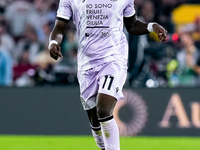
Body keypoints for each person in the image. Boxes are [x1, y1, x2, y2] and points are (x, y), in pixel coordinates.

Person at [48, 0, 167, 149]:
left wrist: (151, 26)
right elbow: (59, 27)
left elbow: (132, 25)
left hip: (113, 59)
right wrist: (53, 42)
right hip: (87, 63)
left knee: (103, 109)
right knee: (94, 120)